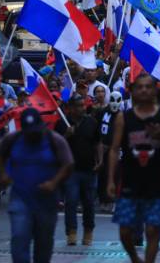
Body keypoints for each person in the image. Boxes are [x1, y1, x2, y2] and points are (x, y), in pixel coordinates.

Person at [107, 74, 160, 263]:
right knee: (125, 231)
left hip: (156, 183)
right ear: (132, 91)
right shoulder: (124, 118)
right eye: (139, 87)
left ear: (155, 90)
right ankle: (134, 258)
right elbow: (114, 149)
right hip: (129, 181)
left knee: (153, 229)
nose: (143, 90)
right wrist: (110, 180)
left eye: (148, 86)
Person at [0, 108, 74, 263]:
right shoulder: (13, 139)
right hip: (20, 197)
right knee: (19, 237)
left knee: (44, 242)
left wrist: (54, 182)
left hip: (46, 200)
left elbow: (68, 164)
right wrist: (3, 173)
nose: (32, 135)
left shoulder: (54, 140)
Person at [56, 94, 102, 246]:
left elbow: (97, 143)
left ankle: (88, 231)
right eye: (78, 106)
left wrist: (100, 160)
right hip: (71, 170)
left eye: (83, 105)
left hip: (89, 169)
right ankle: (71, 232)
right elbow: (56, 146)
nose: (82, 108)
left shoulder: (91, 122)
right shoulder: (62, 123)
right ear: (70, 108)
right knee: (71, 201)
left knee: (89, 203)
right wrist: (66, 135)